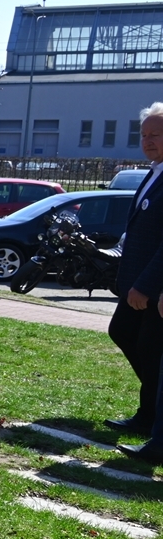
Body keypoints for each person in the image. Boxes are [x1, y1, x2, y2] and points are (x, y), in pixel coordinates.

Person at [111, 106, 163, 457]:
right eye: (143, 135)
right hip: (136, 281)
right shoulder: (153, 172)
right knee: (123, 332)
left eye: (155, 135)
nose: (147, 142)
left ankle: (152, 418)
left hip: (153, 288)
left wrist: (146, 285)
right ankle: (149, 413)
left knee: (150, 349)